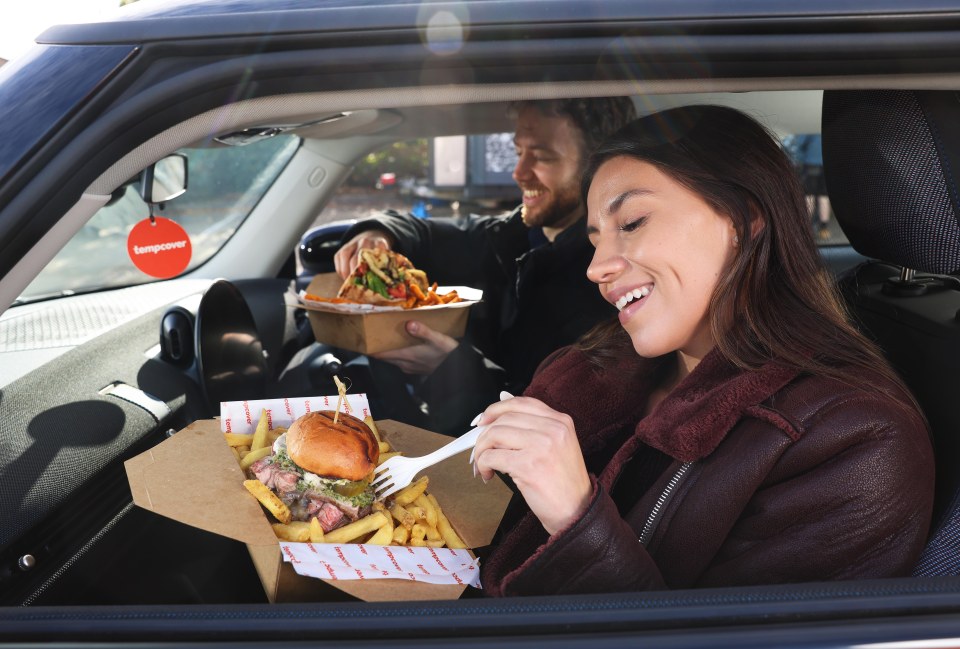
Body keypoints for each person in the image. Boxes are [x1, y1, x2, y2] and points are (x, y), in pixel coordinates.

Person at [472, 105, 935, 596]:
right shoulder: (593, 368)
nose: (597, 267)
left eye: (630, 223)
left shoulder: (853, 441)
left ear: (743, 219)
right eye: (595, 240)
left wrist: (574, 513)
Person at [330, 97, 637, 435]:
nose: (519, 173)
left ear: (599, 169)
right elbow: (423, 231)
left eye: (543, 156)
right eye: (519, 152)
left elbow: (548, 428)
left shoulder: (609, 288)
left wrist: (449, 367)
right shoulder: (511, 235)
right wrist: (377, 235)